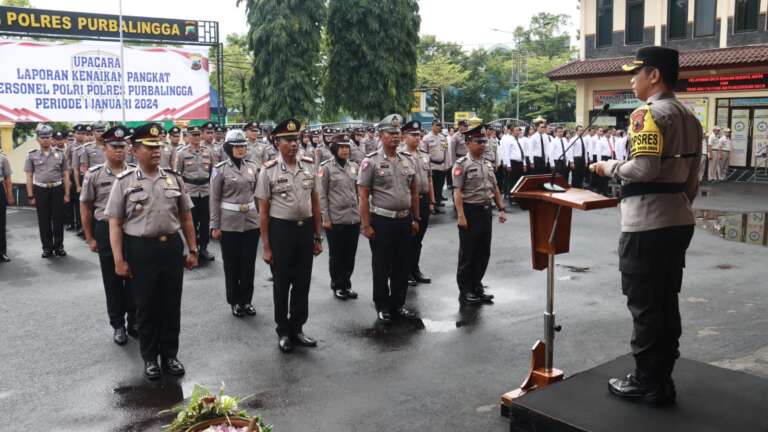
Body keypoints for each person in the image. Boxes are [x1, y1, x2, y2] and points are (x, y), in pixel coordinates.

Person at [591, 46, 701, 404]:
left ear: (654, 75)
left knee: (645, 303)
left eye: (636, 73)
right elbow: (692, 180)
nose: (632, 80)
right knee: (665, 300)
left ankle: (647, 381)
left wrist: (608, 167)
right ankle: (661, 377)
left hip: (647, 224)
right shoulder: (689, 116)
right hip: (677, 218)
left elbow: (643, 169)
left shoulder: (647, 114)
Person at [105, 122, 198, 380]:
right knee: (145, 306)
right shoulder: (124, 182)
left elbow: (186, 217)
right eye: (150, 147)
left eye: (158, 146)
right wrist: (118, 259)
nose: (156, 151)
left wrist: (192, 249)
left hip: (170, 247)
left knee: (171, 304)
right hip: (141, 249)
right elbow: (114, 223)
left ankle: (170, 354)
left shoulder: (173, 178)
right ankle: (149, 358)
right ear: (135, 150)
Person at [255, 118, 323, 353]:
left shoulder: (308, 164)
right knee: (282, 284)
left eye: (296, 139)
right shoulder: (268, 170)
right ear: (277, 142)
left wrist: (317, 236)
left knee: (303, 282)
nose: (294, 144)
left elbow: (315, 201)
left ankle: (298, 328)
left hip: (304, 230)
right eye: (288, 140)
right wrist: (266, 246)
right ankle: (283, 331)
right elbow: (263, 211)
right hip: (281, 231)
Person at [357, 114, 420, 323]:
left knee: (402, 265)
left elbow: (414, 192)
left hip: (403, 220)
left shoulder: (407, 160)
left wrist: (415, 218)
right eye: (390, 133)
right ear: (381, 136)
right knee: (382, 265)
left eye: (397, 133)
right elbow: (363, 196)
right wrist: (366, 225)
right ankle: (382, 305)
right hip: (382, 221)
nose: (395, 137)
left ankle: (398, 304)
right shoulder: (371, 161)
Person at [80, 125, 137, 345]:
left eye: (123, 146)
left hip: (130, 230)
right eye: (114, 146)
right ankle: (118, 325)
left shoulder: (134, 172)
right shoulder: (94, 175)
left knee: (133, 277)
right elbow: (85, 206)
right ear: (105, 148)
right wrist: (90, 237)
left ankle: (134, 321)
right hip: (105, 229)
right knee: (112, 279)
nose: (119, 151)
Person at [452, 124, 507, 305]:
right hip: (470, 211)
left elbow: (495, 187)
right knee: (468, 254)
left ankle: (477, 286)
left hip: (485, 211)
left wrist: (501, 208)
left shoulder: (487, 164)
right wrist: (461, 215)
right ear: (469, 143)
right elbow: (457, 192)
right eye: (479, 141)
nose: (483, 145)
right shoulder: (462, 165)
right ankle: (465, 290)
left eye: (484, 141)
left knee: (484, 252)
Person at [210, 129, 261, 318]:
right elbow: (214, 199)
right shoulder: (220, 169)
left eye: (243, 146)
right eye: (236, 146)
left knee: (248, 264)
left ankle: (247, 300)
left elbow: (257, 195)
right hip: (229, 223)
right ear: (228, 148)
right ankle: (235, 301)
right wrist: (215, 225)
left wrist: (261, 220)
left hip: (250, 222)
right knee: (232, 264)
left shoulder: (253, 167)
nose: (240, 149)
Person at [319, 134, 361, 301]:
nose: (345, 150)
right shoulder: (326, 168)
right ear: (335, 149)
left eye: (347, 147)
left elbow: (358, 192)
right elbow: (321, 194)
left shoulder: (353, 167)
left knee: (350, 254)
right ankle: (337, 285)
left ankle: (346, 284)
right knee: (337, 255)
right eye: (342, 147)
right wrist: (325, 218)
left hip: (353, 217)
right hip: (336, 218)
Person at [25, 124, 71, 258]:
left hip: (57, 189)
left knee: (58, 219)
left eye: (48, 137)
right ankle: (47, 248)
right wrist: (30, 195)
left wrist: (67, 193)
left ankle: (59, 247)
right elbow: (28, 176)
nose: (45, 139)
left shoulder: (60, 154)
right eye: (42, 137)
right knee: (43, 220)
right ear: (38, 139)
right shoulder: (31, 155)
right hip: (40, 190)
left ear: (52, 138)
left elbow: (66, 174)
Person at [175, 125, 216, 262]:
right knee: (191, 221)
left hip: (205, 190)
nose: (196, 137)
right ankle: (194, 248)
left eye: (198, 135)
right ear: (188, 136)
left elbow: (213, 171)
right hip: (190, 190)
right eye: (193, 135)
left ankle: (204, 248)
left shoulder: (208, 151)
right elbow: (177, 173)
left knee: (205, 221)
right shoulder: (182, 153)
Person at [402, 120, 434, 286]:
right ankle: (405, 271)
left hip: (423, 199)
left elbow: (429, 179)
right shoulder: (401, 156)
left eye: (418, 135)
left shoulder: (424, 155)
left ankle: (415, 269)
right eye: (413, 135)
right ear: (404, 137)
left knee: (419, 238)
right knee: (408, 238)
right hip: (408, 202)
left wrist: (432, 200)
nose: (417, 138)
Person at [421, 119, 450, 213]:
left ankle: (437, 205)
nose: (439, 127)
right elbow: (423, 153)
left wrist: (446, 164)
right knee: (431, 187)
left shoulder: (443, 138)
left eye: (440, 125)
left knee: (439, 186)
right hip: (431, 165)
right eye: (437, 125)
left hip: (441, 166)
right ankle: (430, 205)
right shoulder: (426, 138)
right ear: (432, 125)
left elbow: (446, 151)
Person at [503, 126, 527, 198]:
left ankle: (517, 195)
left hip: (520, 162)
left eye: (518, 130)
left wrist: (524, 164)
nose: (518, 132)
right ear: (512, 131)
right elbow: (507, 153)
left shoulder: (520, 140)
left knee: (519, 180)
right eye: (516, 130)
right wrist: (508, 165)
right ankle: (511, 196)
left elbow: (523, 153)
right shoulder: (509, 140)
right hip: (513, 162)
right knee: (512, 180)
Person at [0, 147, 14, 262]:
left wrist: (9, 195)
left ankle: (2, 252)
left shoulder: (2, 159)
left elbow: (8, 179)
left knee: (1, 223)